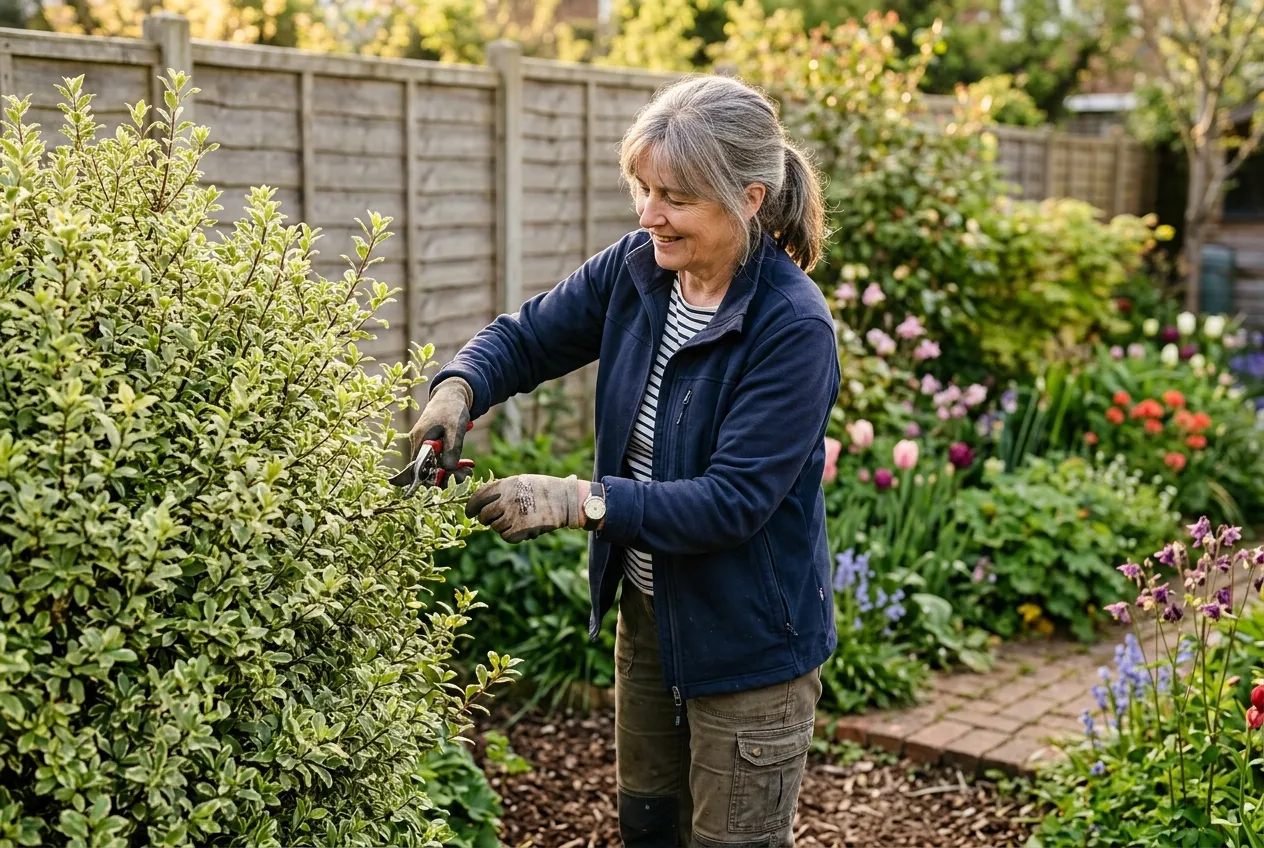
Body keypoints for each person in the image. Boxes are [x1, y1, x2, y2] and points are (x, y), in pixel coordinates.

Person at [408, 74, 840, 847]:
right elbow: (531, 336)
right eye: (643, 189)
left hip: (749, 649)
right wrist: (457, 392)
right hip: (649, 619)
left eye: (673, 196)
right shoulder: (640, 269)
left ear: (745, 198)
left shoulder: (791, 328)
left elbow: (731, 501)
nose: (648, 215)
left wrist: (578, 500)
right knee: (647, 827)